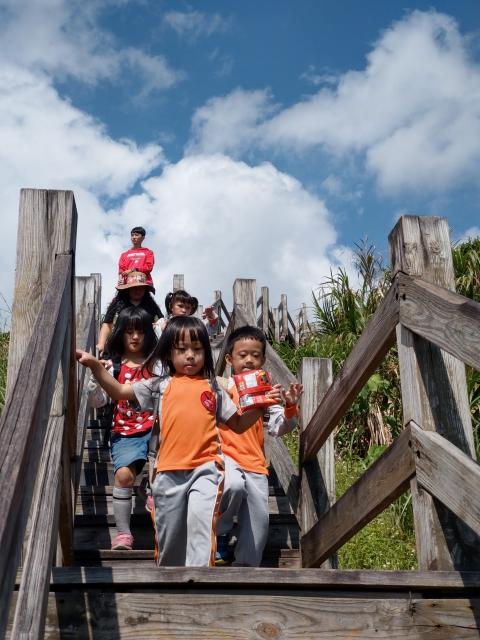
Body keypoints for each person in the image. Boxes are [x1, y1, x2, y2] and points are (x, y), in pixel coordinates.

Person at [76, 316, 282, 566]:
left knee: (201, 530)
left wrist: (261, 406)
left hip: (206, 470)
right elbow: (119, 391)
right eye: (182, 349)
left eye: (197, 349)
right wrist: (95, 366)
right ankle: (171, 582)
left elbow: (238, 423)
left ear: (206, 353)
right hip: (167, 472)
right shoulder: (159, 386)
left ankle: (199, 581)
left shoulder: (213, 388)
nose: (190, 356)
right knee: (171, 542)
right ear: (168, 353)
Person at [216, 325, 303, 566]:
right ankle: (219, 534)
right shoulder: (222, 387)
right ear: (229, 359)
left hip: (255, 463)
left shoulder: (266, 391)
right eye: (242, 355)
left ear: (263, 360)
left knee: (258, 524)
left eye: (255, 355)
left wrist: (289, 407)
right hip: (224, 457)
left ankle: (246, 570)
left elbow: (279, 427)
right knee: (232, 486)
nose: (249, 360)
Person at [87, 307, 158, 550]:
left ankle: (150, 487)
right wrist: (96, 379)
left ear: (148, 333)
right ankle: (124, 534)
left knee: (163, 470)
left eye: (140, 331)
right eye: (129, 332)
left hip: (156, 428)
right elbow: (97, 403)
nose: (135, 337)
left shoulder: (157, 364)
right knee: (123, 476)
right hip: (125, 430)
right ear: (120, 334)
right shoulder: (113, 366)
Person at [97, 271, 163, 356]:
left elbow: (161, 321)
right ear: (128, 289)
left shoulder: (151, 305)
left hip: (145, 349)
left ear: (145, 289)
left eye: (141, 288)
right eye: (134, 288)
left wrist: (156, 326)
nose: (137, 291)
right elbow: (107, 324)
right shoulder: (118, 304)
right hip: (120, 348)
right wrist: (101, 344)